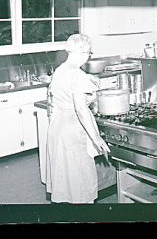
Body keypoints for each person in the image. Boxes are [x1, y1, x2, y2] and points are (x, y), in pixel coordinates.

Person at [44, 34, 110, 203]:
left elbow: (57, 98)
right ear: (82, 52)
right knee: (81, 179)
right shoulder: (77, 75)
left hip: (58, 127)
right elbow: (81, 109)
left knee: (65, 176)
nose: (88, 56)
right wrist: (97, 138)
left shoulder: (59, 70)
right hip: (73, 128)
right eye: (89, 53)